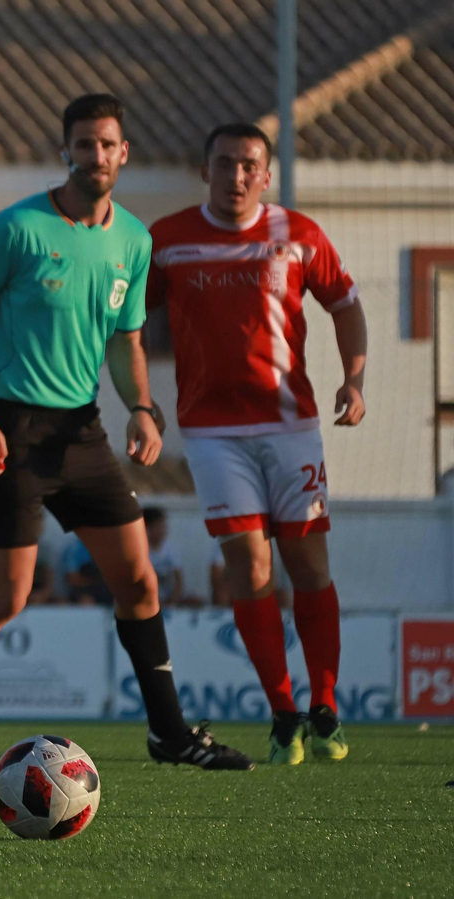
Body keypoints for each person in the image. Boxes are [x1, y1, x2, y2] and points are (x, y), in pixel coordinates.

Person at [0, 95, 251, 773]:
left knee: (141, 583)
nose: (97, 156)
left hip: (82, 431)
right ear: (67, 151)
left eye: (108, 145)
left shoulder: (135, 240)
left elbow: (125, 339)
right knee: (4, 597)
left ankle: (170, 735)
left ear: (125, 153)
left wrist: (143, 410)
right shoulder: (17, 228)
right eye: (84, 145)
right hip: (9, 427)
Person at [149, 122, 365, 765]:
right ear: (206, 169)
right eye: (224, 164)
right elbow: (126, 319)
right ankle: (283, 713)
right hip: (213, 433)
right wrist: (140, 402)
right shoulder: (169, 240)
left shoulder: (298, 235)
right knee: (249, 566)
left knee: (308, 569)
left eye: (249, 165)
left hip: (291, 425)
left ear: (266, 174)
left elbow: (346, 304)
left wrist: (354, 380)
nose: (236, 176)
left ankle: (324, 706)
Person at [143, 507, 186, 605]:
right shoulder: (139, 551)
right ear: (147, 528)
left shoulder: (171, 549)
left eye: (164, 526)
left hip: (171, 601)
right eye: (159, 527)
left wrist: (172, 602)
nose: (163, 531)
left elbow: (179, 582)